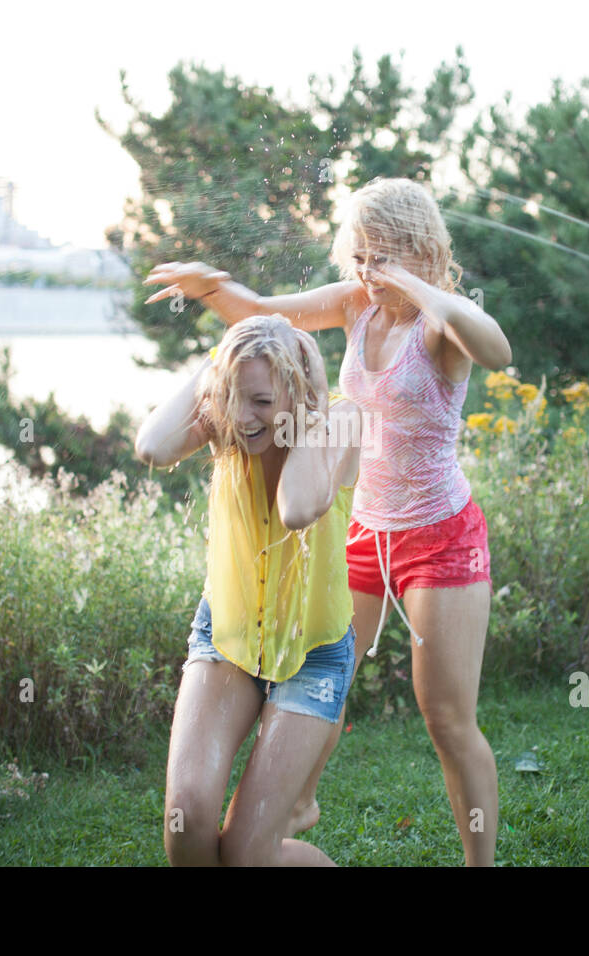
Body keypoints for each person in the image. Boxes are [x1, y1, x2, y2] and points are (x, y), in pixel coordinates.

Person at [144, 177, 511, 866]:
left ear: (419, 250)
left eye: (384, 257)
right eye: (361, 256)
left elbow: (497, 350)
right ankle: (302, 796)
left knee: (447, 719)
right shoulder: (355, 306)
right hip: (363, 528)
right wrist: (210, 283)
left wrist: (421, 286)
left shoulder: (441, 327)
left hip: (439, 534)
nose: (368, 273)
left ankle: (479, 864)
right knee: (326, 665)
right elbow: (256, 311)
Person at [135, 313, 363, 866]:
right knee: (185, 820)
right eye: (232, 396)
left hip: (313, 654)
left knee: (245, 856)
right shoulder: (224, 421)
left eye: (260, 399)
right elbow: (153, 446)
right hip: (227, 637)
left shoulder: (343, 420)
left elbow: (299, 506)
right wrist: (221, 361)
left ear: (297, 385)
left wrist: (308, 407)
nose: (242, 416)